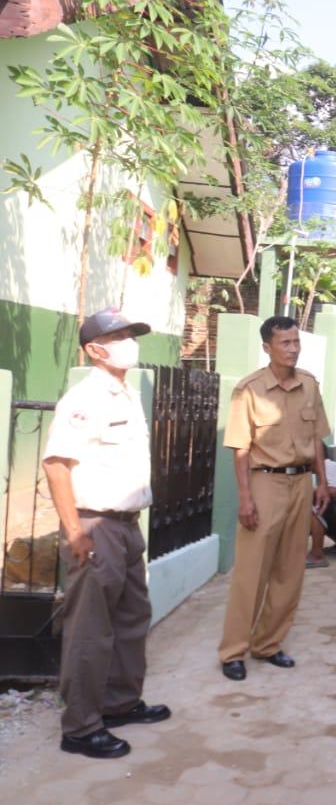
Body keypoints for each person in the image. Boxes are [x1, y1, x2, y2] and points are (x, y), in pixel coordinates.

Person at [42, 309, 170, 759]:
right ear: (95, 349)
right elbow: (57, 465)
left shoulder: (124, 393)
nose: (128, 342)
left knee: (132, 619)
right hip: (95, 526)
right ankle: (79, 727)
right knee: (90, 631)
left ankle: (119, 703)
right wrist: (75, 532)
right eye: (118, 336)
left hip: (127, 526)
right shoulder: (86, 398)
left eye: (131, 334)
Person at [218, 316, 331, 681]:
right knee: (252, 571)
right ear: (267, 347)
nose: (293, 349)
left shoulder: (309, 385)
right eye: (285, 343)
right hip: (264, 482)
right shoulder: (249, 390)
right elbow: (239, 449)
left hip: (301, 483)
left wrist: (322, 482)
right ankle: (233, 651)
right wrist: (245, 499)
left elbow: (317, 439)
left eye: (296, 342)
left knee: (289, 570)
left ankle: (268, 644)